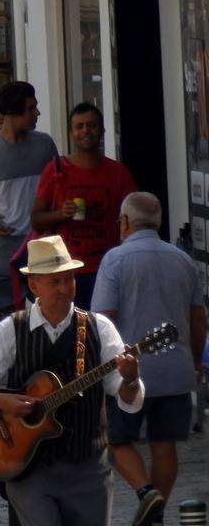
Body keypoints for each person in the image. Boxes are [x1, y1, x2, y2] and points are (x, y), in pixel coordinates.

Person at [0, 235, 144, 526]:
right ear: (34, 285)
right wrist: (0, 399)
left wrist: (130, 380)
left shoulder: (98, 328)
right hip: (30, 468)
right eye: (55, 281)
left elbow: (127, 400)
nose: (65, 288)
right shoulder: (12, 329)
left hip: (87, 468)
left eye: (69, 279)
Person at [91, 192, 207, 525]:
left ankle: (146, 494)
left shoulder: (115, 259)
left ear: (125, 222)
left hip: (129, 374)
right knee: (164, 443)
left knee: (117, 439)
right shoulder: (181, 259)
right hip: (175, 370)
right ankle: (157, 509)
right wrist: (195, 361)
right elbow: (199, 318)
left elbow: (103, 318)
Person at [30, 102, 136, 308]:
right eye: (79, 126)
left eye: (92, 125)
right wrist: (60, 214)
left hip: (107, 269)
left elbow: (135, 219)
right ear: (71, 133)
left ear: (102, 131)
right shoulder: (55, 170)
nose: (86, 131)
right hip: (64, 272)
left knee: (104, 332)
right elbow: (36, 219)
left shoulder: (117, 172)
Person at [0, 81, 59, 313]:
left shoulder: (44, 144)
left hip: (42, 241)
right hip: (4, 248)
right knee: (9, 319)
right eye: (31, 108)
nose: (37, 113)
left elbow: (59, 187)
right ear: (11, 112)